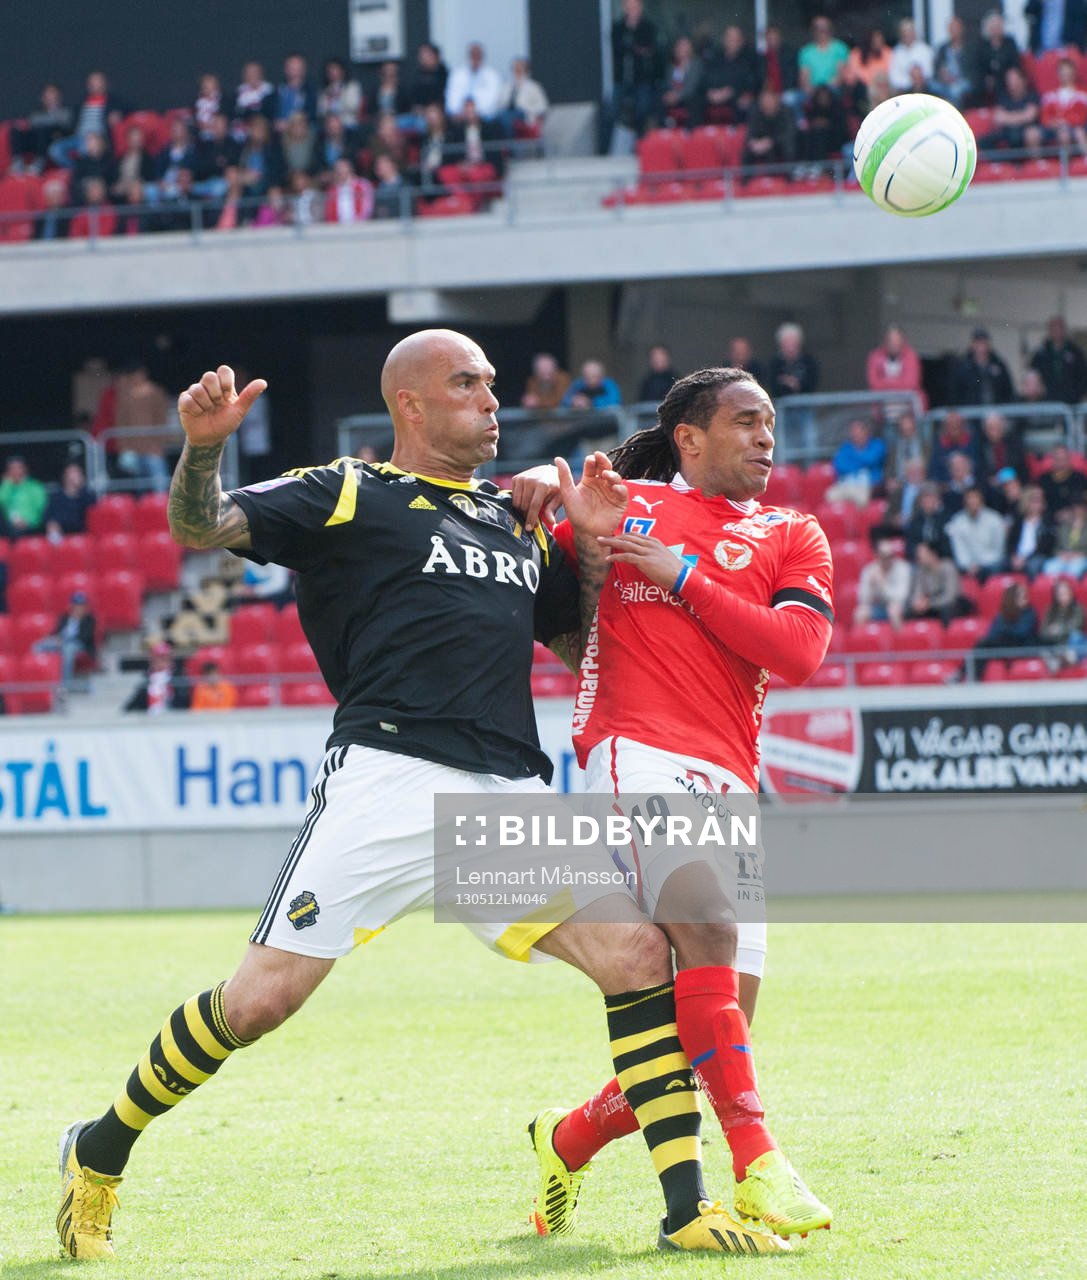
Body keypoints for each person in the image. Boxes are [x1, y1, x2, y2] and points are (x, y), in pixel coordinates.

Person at [58, 334, 789, 1261]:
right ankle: (100, 1147)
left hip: (501, 794)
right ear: (409, 404)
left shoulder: (514, 521)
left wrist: (596, 553)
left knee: (638, 954)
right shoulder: (346, 491)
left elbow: (581, 647)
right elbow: (202, 528)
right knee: (260, 1002)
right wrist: (203, 450)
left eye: (492, 385)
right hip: (387, 779)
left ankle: (686, 1209)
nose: (491, 401)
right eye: (466, 385)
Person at [527, 366, 833, 1245]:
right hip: (636, 749)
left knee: (712, 1035)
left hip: (730, 775)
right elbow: (539, 585)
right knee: (707, 930)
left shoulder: (793, 532)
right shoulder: (627, 508)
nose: (765, 436)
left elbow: (797, 652)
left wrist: (682, 576)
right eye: (745, 421)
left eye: (770, 422)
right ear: (689, 438)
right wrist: (541, 500)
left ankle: (566, 1137)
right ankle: (758, 1166)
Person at [609, 0, 661, 147]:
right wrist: (635, 49)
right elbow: (617, 48)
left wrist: (631, 48)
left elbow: (649, 50)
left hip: (641, 78)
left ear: (640, 8)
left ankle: (640, 145)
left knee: (642, 110)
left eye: (635, 7)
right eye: (629, 7)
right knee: (612, 111)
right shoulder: (618, 27)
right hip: (621, 78)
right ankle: (609, 149)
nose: (632, 10)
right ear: (625, 8)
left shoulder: (648, 27)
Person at [970, 582, 1038, 678]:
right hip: (1002, 646)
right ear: (1012, 598)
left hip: (1020, 647)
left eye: (1025, 596)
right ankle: (972, 677)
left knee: (987, 643)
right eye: (1021, 596)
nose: (1025, 599)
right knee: (982, 644)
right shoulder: (1002, 615)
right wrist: (1006, 630)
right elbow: (992, 634)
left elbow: (1021, 632)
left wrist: (1005, 630)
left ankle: (965, 674)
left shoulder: (1029, 613)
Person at [34, 591, 98, 686]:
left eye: (81, 606)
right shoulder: (65, 617)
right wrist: (52, 637)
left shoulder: (89, 620)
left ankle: (66, 685)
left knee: (68, 649)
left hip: (79, 645)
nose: (79, 608)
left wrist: (65, 640)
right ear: (72, 606)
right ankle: (42, 680)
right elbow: (56, 631)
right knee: (38, 646)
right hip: (60, 642)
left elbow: (85, 637)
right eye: (76, 605)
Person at [977, 67, 1044, 156]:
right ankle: (998, 164)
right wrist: (1020, 116)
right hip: (1007, 132)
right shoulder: (1004, 97)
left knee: (1027, 135)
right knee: (982, 141)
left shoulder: (1032, 96)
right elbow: (998, 118)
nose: (1011, 82)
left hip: (1025, 132)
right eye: (1009, 80)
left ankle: (1033, 163)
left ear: (1023, 80)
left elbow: (1030, 116)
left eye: (1014, 79)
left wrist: (1008, 117)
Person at [946, 486, 1007, 579]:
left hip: (991, 563)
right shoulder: (957, 520)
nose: (972, 501)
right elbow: (959, 548)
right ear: (964, 501)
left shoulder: (994, 519)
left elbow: (999, 549)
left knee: (998, 566)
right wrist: (968, 565)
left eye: (975, 497)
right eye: (969, 498)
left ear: (981, 500)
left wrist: (980, 564)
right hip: (968, 566)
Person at [702, 25, 759, 123]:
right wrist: (712, 92)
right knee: (696, 100)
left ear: (741, 41)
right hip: (716, 94)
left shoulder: (749, 59)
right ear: (724, 40)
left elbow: (751, 81)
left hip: (737, 95)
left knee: (745, 104)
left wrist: (730, 91)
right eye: (729, 38)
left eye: (736, 39)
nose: (732, 42)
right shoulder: (716, 58)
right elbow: (708, 78)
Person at [854, 535, 911, 628]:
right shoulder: (869, 570)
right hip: (877, 606)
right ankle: (862, 637)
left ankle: (899, 637)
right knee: (860, 613)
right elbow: (862, 599)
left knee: (894, 610)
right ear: (877, 556)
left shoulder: (903, 568)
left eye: (890, 556)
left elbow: (901, 598)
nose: (887, 560)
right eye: (884, 557)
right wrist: (871, 586)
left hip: (899, 607)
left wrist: (882, 584)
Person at [948, 328, 1014, 406]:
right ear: (972, 344)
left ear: (988, 344)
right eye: (978, 343)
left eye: (983, 343)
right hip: (970, 411)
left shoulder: (999, 364)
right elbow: (954, 393)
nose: (981, 347)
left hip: (996, 411)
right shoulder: (962, 366)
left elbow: (1008, 390)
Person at [827, 418, 886, 504]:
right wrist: (861, 464)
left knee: (861, 499)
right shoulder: (846, 447)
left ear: (866, 432)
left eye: (858, 432)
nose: (855, 435)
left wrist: (852, 458)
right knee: (830, 495)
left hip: (869, 485)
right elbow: (839, 465)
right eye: (853, 432)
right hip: (846, 484)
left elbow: (871, 459)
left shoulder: (877, 444)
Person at [1030, 316, 1087, 404]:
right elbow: (1033, 375)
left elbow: (1083, 376)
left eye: (1059, 328)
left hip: (1072, 402)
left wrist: (1078, 394)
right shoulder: (1040, 354)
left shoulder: (1076, 352)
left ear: (1064, 330)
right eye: (1053, 328)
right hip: (1046, 401)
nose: (1056, 331)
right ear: (1049, 330)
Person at [907, 540, 965, 624]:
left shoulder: (948, 567)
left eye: (921, 553)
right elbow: (917, 592)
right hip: (931, 604)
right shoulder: (921, 571)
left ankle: (949, 632)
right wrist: (918, 603)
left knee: (946, 611)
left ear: (932, 554)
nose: (918, 556)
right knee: (910, 612)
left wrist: (929, 603)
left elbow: (950, 596)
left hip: (953, 603)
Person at [970, 11, 1022, 105]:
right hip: (985, 80)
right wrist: (987, 78)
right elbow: (977, 65)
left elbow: (1015, 63)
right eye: (993, 27)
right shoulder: (981, 45)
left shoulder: (1009, 43)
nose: (996, 30)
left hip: (1005, 78)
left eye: (998, 26)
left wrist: (1010, 74)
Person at [866, 324, 925, 406]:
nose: (893, 344)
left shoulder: (911, 356)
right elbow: (874, 384)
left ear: (903, 340)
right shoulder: (875, 356)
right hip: (882, 404)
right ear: (884, 341)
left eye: (897, 340)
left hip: (907, 405)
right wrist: (899, 382)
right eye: (890, 340)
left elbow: (910, 384)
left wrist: (885, 382)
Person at [123, 641, 190, 713]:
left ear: (171, 660)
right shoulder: (146, 681)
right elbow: (130, 707)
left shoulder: (179, 678)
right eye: (157, 659)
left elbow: (184, 702)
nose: (160, 662)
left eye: (164, 659)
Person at [445, 42, 505, 122]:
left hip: (484, 118)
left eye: (478, 55)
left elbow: (493, 102)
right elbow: (451, 97)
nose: (475, 58)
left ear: (482, 56)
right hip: (459, 117)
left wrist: (475, 113)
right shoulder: (457, 74)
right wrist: (460, 112)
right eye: (473, 55)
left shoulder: (492, 76)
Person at [1040, 57, 1087, 157]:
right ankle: (1042, 164)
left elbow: (1082, 116)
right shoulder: (1049, 95)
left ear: (1073, 72)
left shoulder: (1083, 93)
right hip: (1054, 128)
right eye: (1062, 71)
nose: (1065, 74)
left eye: (1068, 71)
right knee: (1062, 134)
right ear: (1058, 74)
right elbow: (1045, 117)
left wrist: (1065, 121)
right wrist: (1054, 123)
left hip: (1077, 127)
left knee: (1077, 133)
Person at [1006, 484, 1056, 577]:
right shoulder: (1019, 521)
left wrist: (1025, 558)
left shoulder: (1047, 522)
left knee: (1033, 565)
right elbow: (1011, 542)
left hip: (1036, 556)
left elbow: (1045, 546)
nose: (1036, 505)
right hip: (1017, 555)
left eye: (1038, 501)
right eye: (1033, 501)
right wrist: (1013, 556)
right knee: (1000, 564)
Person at [741, 88, 797, 170]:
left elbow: (789, 133)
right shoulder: (756, 113)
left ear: (776, 101)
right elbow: (750, 132)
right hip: (761, 144)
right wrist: (753, 142)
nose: (767, 104)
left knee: (788, 147)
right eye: (764, 102)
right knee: (747, 152)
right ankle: (746, 177)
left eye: (769, 101)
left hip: (779, 142)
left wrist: (770, 141)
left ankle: (790, 174)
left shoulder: (786, 112)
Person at [1039, 577, 1087, 667]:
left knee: (1076, 636)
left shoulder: (1078, 609)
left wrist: (1058, 629)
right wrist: (1057, 631)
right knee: (1042, 643)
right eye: (1060, 593)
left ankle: (1061, 661)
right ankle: (1060, 660)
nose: (1063, 596)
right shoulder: (1050, 610)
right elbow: (1043, 631)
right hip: (1055, 643)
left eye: (1065, 593)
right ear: (1055, 595)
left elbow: (1076, 626)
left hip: (1071, 644)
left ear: (1071, 593)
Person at [660, 36, 704, 128]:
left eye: (685, 45)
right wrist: (670, 94)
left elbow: (692, 86)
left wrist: (678, 95)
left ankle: (690, 132)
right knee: (660, 100)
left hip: (689, 96)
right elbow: (669, 84)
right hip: (673, 95)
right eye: (679, 46)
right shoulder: (671, 66)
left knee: (694, 102)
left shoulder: (696, 64)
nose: (682, 48)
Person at [0, 455, 48, 537]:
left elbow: (42, 509)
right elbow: (2, 501)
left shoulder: (35, 487)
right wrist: (7, 484)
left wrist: (28, 522)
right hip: (8, 528)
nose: (15, 471)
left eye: (18, 468)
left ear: (24, 469)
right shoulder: (5, 487)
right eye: (11, 468)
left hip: (31, 526)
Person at [930, 16, 973, 107]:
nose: (953, 31)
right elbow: (937, 68)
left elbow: (972, 71)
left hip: (962, 81)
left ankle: (952, 111)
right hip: (945, 83)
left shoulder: (970, 48)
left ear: (961, 29)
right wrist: (942, 75)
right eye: (951, 28)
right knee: (931, 85)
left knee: (955, 90)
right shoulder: (943, 48)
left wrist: (956, 79)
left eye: (956, 28)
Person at [768, 322, 818, 400]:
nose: (790, 347)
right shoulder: (774, 363)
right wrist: (787, 385)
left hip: (805, 403)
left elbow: (812, 384)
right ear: (781, 344)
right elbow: (772, 386)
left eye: (793, 343)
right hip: (781, 404)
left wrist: (797, 384)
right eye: (787, 343)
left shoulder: (809, 361)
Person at [44, 462, 95, 539]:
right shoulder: (56, 497)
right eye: (72, 473)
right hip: (61, 535)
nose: (76, 476)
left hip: (83, 535)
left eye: (78, 473)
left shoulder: (88, 496)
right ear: (65, 476)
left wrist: (81, 488)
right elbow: (48, 518)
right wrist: (52, 525)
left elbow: (92, 518)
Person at [1042, 500, 1087, 576]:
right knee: (1049, 567)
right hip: (1064, 557)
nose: (1078, 512)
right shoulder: (1064, 527)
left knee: (1073, 569)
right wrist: (1061, 554)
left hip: (1081, 557)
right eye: (1075, 509)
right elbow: (1056, 546)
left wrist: (1079, 554)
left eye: (1080, 509)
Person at [889, 18, 935, 92]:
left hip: (924, 89)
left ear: (914, 33)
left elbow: (928, 73)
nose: (907, 35)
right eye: (904, 32)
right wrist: (909, 83)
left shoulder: (925, 50)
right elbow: (894, 77)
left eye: (909, 31)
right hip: (903, 90)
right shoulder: (897, 52)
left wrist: (915, 81)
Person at [1040, 443, 1087, 513]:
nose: (1061, 463)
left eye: (1064, 459)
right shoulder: (1044, 479)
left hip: (1074, 515)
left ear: (1069, 459)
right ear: (1052, 459)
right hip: (1049, 516)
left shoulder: (1079, 478)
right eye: (1058, 459)